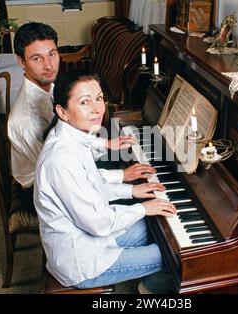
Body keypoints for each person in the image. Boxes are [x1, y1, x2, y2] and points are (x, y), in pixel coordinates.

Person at [34, 71, 176, 291]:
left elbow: (89, 184)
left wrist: (131, 191)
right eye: (85, 102)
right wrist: (142, 208)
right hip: (82, 263)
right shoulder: (62, 160)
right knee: (176, 254)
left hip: (93, 241)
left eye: (99, 98)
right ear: (62, 111)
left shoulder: (68, 137)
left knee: (160, 228)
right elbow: (98, 223)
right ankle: (149, 289)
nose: (97, 109)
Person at [7, 22, 155, 190]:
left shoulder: (49, 87)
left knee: (125, 157)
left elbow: (67, 138)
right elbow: (61, 172)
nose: (48, 65)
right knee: (135, 190)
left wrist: (104, 144)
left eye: (52, 54)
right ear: (21, 62)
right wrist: (122, 176)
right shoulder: (26, 120)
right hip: (43, 188)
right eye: (36, 58)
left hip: (66, 165)